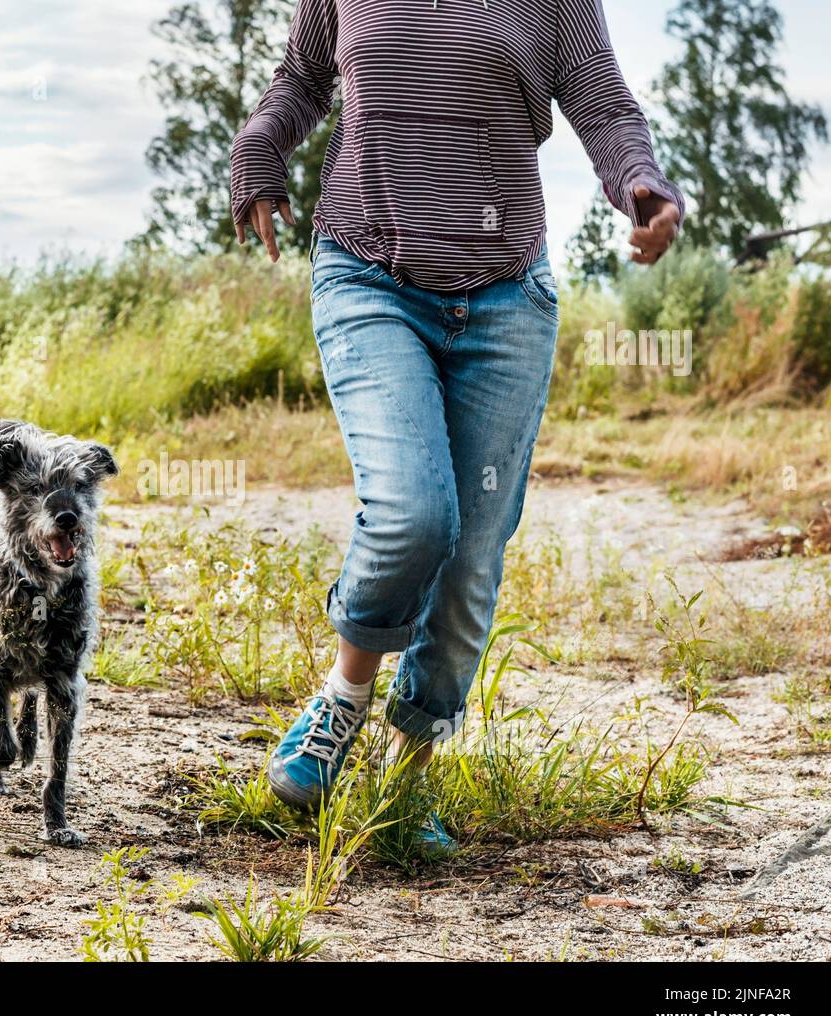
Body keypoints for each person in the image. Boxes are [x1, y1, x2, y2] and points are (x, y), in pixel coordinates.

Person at [230, 0, 682, 852]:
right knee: (414, 512)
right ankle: (341, 702)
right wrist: (259, 148)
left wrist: (642, 185)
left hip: (508, 298)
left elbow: (603, 100)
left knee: (473, 548)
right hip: (370, 277)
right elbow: (302, 76)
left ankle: (407, 783)